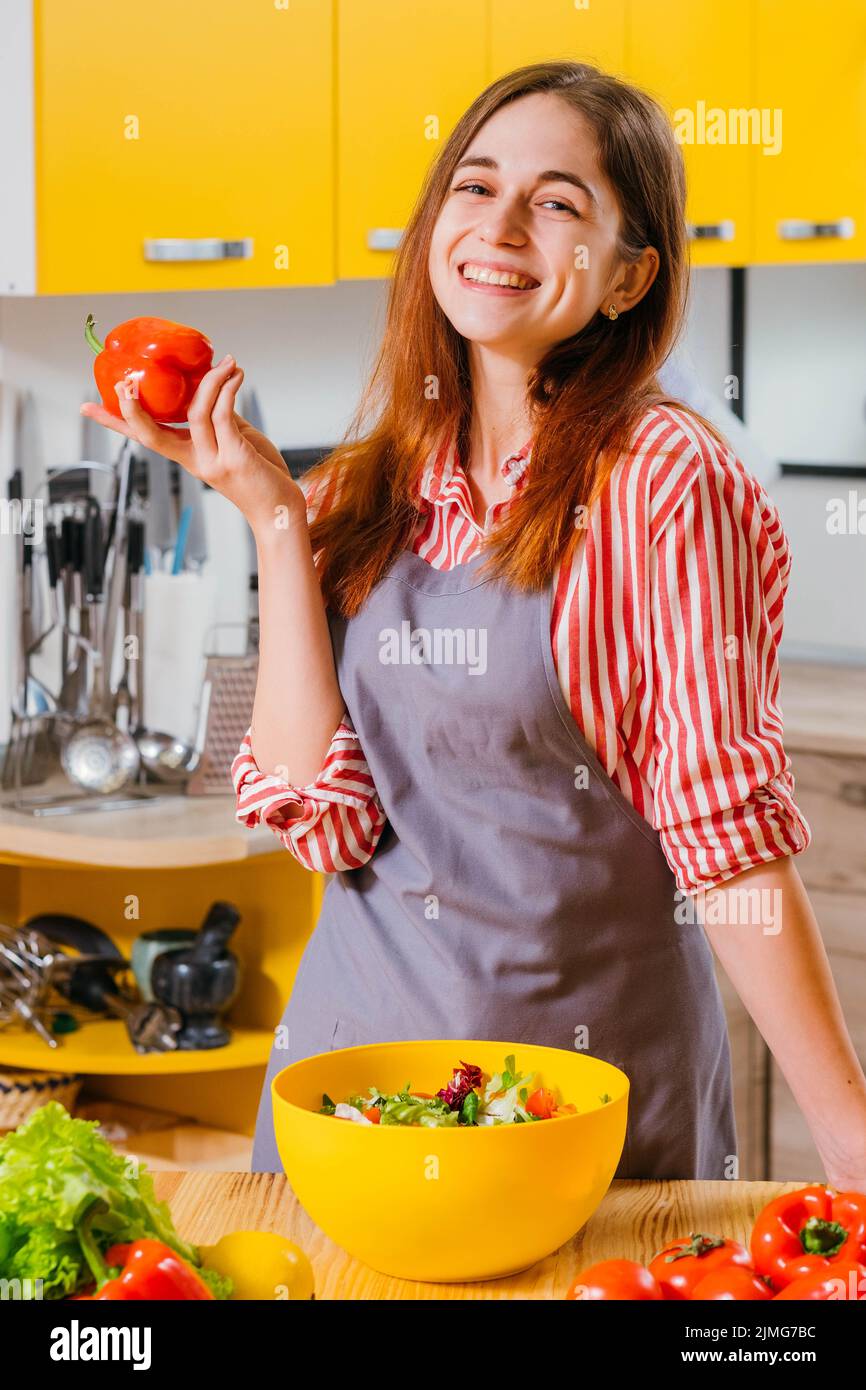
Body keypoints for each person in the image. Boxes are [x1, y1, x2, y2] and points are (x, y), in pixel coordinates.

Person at [84, 61, 866, 1187]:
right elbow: (328, 826)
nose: (499, 225)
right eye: (474, 184)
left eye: (557, 202)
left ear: (627, 276)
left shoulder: (659, 481)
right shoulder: (365, 484)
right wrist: (272, 521)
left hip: (582, 1111)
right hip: (356, 1101)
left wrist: (844, 1131)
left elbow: (725, 840)